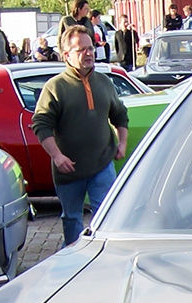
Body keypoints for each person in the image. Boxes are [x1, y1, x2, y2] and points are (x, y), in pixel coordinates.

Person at [32, 25, 129, 249]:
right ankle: (75, 262)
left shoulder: (104, 82)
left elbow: (120, 114)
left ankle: (106, 257)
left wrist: (121, 142)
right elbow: (41, 125)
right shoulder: (55, 87)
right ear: (67, 55)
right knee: (72, 218)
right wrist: (57, 157)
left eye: (91, 48)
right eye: (81, 50)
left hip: (102, 165)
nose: (88, 53)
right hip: (69, 170)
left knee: (106, 215)